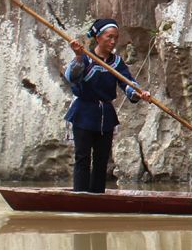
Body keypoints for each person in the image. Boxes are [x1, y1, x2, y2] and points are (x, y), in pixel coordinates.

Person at [64, 18, 150, 193]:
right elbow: (71, 78)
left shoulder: (117, 62)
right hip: (84, 113)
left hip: (106, 116)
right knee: (83, 157)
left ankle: (97, 197)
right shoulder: (86, 58)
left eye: (115, 38)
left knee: (102, 159)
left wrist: (140, 93)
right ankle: (80, 197)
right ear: (97, 37)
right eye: (109, 37)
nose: (112, 42)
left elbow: (128, 84)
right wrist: (79, 56)